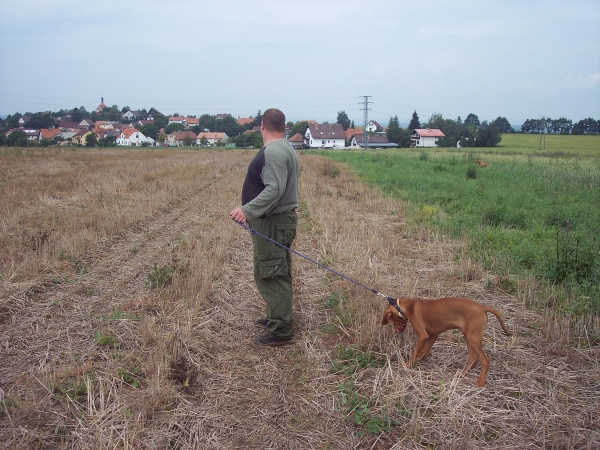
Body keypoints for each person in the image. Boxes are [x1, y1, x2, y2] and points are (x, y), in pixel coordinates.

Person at [229, 108, 300, 346]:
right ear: (284, 126)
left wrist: (247, 210)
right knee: (276, 270)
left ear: (262, 125)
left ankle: (281, 330)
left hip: (272, 222)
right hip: (277, 221)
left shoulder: (275, 151)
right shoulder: (286, 147)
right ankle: (277, 316)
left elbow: (274, 189)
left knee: (272, 273)